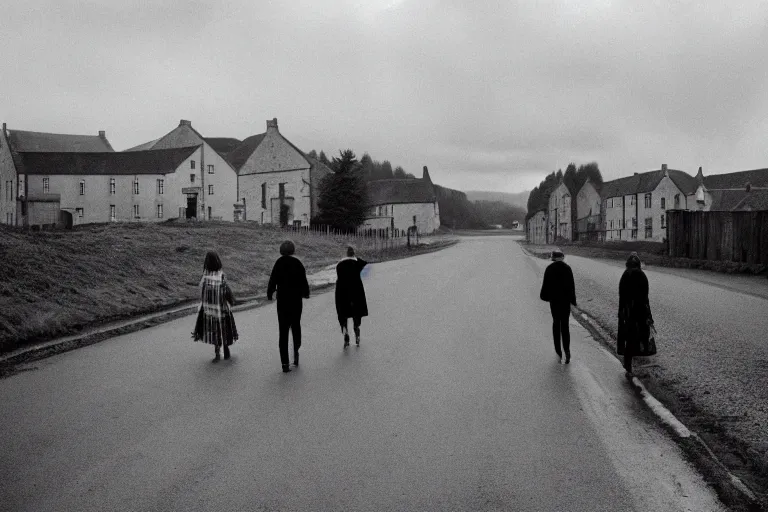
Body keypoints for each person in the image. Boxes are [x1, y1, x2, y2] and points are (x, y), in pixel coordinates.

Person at [267, 240, 310, 373]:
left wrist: (270, 294)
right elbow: (304, 280)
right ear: (293, 250)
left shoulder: (278, 263)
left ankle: (284, 363)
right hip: (296, 301)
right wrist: (306, 293)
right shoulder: (297, 263)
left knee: (283, 331)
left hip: (283, 301)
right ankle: (296, 353)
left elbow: (272, 280)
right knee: (296, 326)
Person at [192, 251, 238, 362]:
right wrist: (231, 301)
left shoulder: (205, 277)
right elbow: (227, 291)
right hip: (221, 308)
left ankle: (217, 353)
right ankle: (226, 349)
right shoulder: (221, 276)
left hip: (209, 310)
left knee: (213, 330)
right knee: (224, 329)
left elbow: (202, 293)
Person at [618, 252, 654, 377]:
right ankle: (641, 356)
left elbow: (621, 296)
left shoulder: (625, 275)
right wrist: (649, 314)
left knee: (629, 336)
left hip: (628, 311)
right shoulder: (642, 275)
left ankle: (628, 363)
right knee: (642, 334)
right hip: (640, 310)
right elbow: (645, 297)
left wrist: (621, 311)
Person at [539, 249, 577, 363]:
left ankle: (558, 351)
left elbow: (545, 285)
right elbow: (571, 286)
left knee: (556, 324)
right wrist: (573, 301)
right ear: (562, 257)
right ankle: (567, 350)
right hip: (565, 301)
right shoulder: (567, 268)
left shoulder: (549, 269)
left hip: (554, 301)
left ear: (553, 258)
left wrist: (545, 296)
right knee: (565, 325)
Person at [335, 246, 368, 348]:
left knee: (343, 313)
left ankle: (345, 333)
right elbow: (364, 262)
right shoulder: (357, 264)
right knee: (356, 312)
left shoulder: (339, 265)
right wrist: (354, 257)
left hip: (342, 292)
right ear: (353, 254)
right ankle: (356, 330)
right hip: (355, 291)